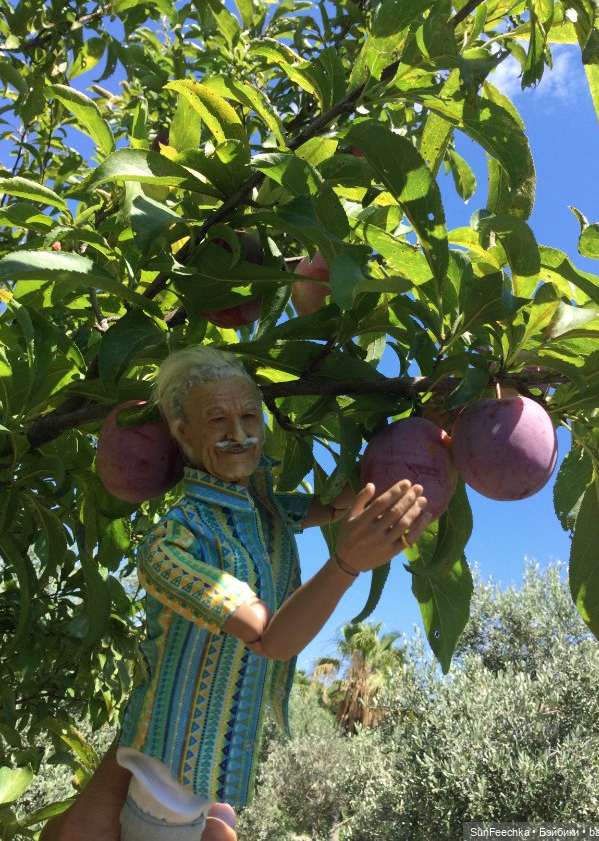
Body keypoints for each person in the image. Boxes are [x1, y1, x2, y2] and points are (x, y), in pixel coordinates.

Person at [42, 345, 430, 841]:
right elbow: (268, 638)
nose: (240, 433)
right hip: (169, 769)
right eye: (217, 419)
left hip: (211, 766)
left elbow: (334, 505)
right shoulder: (172, 543)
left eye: (250, 416)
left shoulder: (264, 508)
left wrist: (431, 427)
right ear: (183, 433)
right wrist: (346, 563)